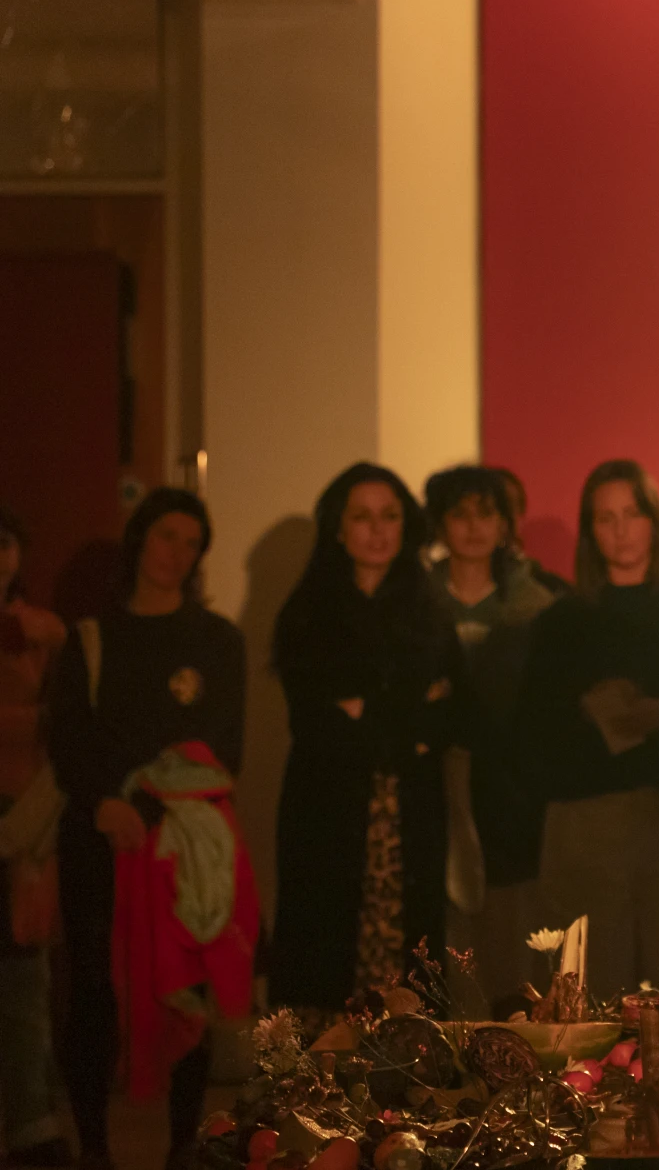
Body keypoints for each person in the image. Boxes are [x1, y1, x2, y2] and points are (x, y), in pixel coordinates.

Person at [47, 490, 253, 1170]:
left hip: (184, 844)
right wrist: (105, 802)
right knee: (95, 989)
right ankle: (96, 1145)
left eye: (193, 542)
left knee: (184, 986)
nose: (178, 553)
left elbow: (224, 746)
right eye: (167, 535)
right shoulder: (90, 638)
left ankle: (182, 1143)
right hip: (102, 837)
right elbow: (69, 734)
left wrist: (161, 807)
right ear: (139, 539)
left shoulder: (216, 640)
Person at [516, 459, 659, 998]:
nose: (621, 529)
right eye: (606, 518)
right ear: (590, 531)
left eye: (632, 513)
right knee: (589, 986)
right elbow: (535, 731)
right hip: (588, 819)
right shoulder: (563, 624)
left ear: (654, 519)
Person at [271, 463, 462, 1011]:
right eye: (362, 517)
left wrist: (365, 709)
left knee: (413, 967)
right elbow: (314, 720)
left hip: (411, 808)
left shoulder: (430, 613)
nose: (377, 530)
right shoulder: (308, 615)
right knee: (321, 960)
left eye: (389, 516)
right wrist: (404, 710)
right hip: (326, 807)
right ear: (337, 527)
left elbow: (451, 713)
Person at [423, 466, 557, 1010]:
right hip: (433, 775)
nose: (474, 527)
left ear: (505, 523)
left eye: (486, 513)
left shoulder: (536, 604)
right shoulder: (417, 601)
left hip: (510, 781)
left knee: (513, 913)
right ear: (440, 524)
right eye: (460, 514)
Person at [0, 508, 67, 1167]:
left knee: (24, 976)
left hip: (25, 812)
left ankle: (31, 1123)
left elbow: (67, 722)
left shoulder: (44, 630)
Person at [490, 466, 574, 598]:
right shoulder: (446, 589)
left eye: (508, 507)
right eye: (487, 511)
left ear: (520, 517)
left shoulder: (554, 592)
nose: (501, 519)